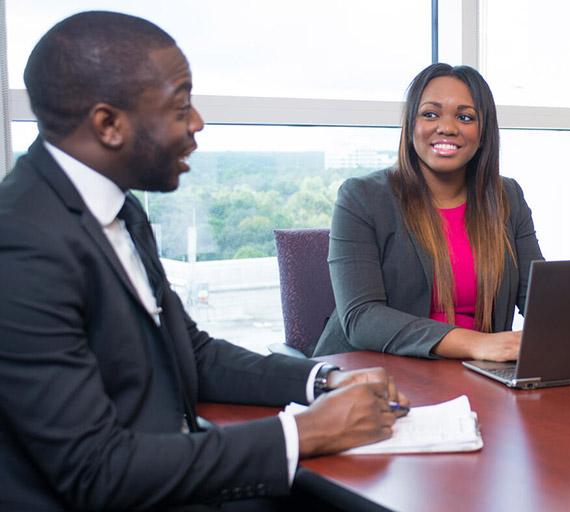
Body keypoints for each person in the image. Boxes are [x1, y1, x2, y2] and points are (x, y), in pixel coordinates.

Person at [0, 12, 408, 511]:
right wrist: (303, 432)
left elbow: (191, 353)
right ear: (108, 124)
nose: (197, 123)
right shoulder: (21, 242)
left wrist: (322, 379)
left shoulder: (116, 208)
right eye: (181, 107)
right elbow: (95, 470)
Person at [313, 63, 544, 361]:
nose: (447, 127)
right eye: (430, 114)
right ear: (411, 124)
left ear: (483, 130)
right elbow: (361, 317)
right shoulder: (362, 197)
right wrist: (474, 343)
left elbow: (537, 299)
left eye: (465, 117)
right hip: (379, 375)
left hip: (481, 374)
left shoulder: (506, 196)